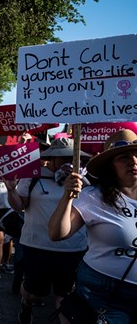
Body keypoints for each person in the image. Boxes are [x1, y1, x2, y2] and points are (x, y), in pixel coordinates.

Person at [49, 129, 137, 322]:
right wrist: (67, 197)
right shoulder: (93, 197)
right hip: (105, 294)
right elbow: (56, 233)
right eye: (124, 157)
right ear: (110, 166)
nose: (134, 161)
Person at [5, 137, 90, 324]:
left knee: (64, 296)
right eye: (64, 159)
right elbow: (20, 206)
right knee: (33, 293)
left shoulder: (84, 181)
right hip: (37, 246)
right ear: (52, 159)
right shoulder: (34, 176)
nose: (69, 163)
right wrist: (11, 191)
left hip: (72, 248)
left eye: (72, 158)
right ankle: (26, 305)